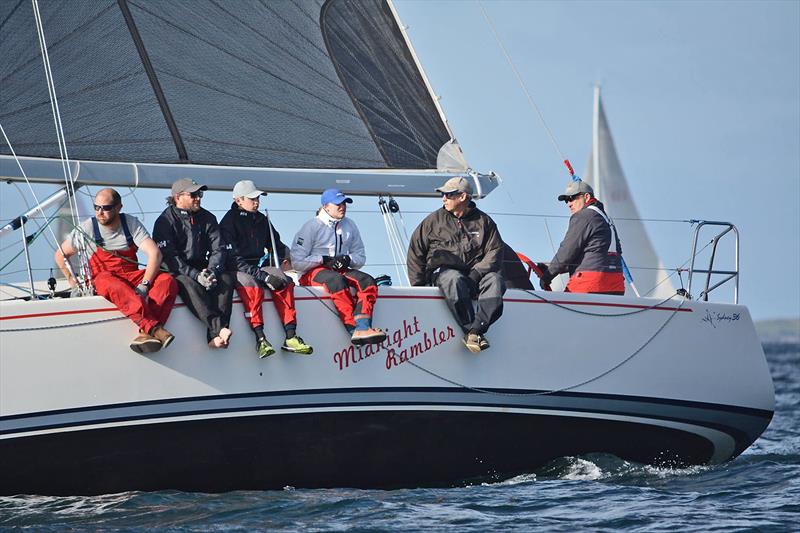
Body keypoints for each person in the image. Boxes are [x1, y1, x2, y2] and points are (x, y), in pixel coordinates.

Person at [54, 188, 178, 354]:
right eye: (96, 207)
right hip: (103, 277)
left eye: (106, 208)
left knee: (167, 281)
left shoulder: (130, 223)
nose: (100, 212)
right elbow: (61, 255)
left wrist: (145, 285)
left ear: (119, 207)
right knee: (111, 284)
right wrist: (73, 282)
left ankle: (145, 333)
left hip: (131, 274)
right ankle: (155, 329)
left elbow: (155, 254)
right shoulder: (88, 227)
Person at [407, 177, 506, 353]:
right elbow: (416, 252)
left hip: (475, 276)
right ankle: (471, 330)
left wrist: (475, 274)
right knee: (453, 279)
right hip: (444, 274)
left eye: (448, 194)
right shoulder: (433, 221)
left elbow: (495, 252)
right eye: (443, 194)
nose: (443, 198)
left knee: (496, 280)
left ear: (462, 197)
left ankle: (476, 330)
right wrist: (418, 290)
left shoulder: (485, 222)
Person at [220, 180, 313, 358]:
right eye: (252, 198)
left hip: (256, 267)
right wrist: (264, 277)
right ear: (239, 200)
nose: (257, 202)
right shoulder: (228, 223)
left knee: (284, 280)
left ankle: (291, 336)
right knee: (251, 285)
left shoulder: (261, 220)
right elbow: (233, 260)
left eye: (258, 198)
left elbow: (277, 246)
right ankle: (260, 339)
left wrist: (300, 262)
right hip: (236, 268)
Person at [290, 188, 386, 346]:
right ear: (326, 206)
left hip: (338, 269)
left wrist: (348, 259)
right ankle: (353, 329)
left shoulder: (349, 225)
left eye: (344, 203)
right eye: (338, 204)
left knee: (367, 281)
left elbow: (360, 256)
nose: (342, 207)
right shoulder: (311, 226)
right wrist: (323, 260)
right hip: (311, 272)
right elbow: (297, 262)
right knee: (336, 281)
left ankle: (363, 327)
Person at [153, 178, 235, 348]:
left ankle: (214, 337)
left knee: (225, 279)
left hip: (201, 267)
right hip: (175, 270)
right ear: (178, 197)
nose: (198, 198)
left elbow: (218, 249)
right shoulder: (164, 222)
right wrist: (196, 275)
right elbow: (170, 258)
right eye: (193, 194)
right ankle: (219, 327)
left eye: (200, 194)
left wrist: (212, 271)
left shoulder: (208, 218)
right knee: (189, 284)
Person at [537, 180, 625, 295]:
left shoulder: (583, 216)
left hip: (589, 284)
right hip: (616, 286)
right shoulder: (607, 219)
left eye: (572, 198)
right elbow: (599, 254)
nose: (569, 203)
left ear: (586, 197)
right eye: (566, 200)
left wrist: (547, 275)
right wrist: (553, 267)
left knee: (562, 311)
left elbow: (567, 251)